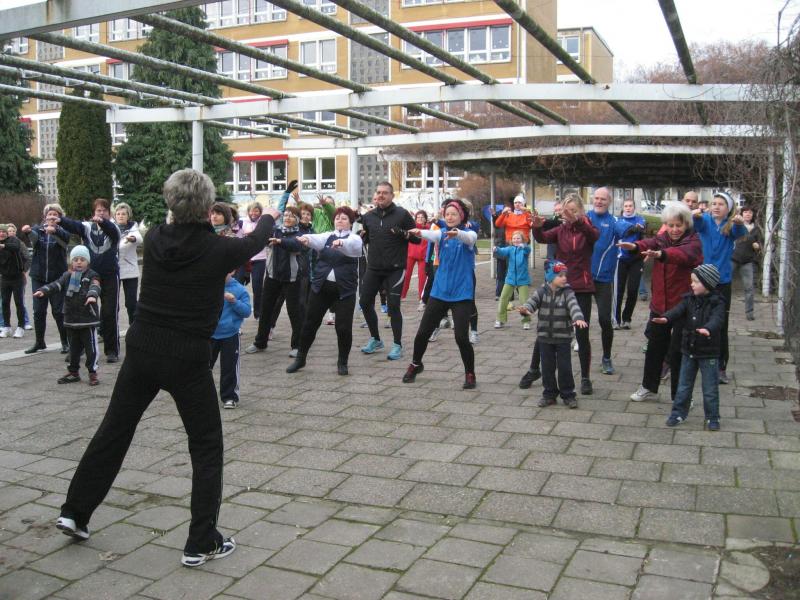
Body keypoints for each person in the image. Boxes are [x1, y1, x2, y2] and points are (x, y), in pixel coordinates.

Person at [55, 169, 280, 568]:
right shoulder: (218, 250)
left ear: (170, 203)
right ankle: (201, 540)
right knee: (206, 445)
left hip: (142, 349)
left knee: (114, 430)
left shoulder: (157, 237)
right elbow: (256, 240)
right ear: (208, 208)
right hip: (187, 358)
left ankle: (75, 511)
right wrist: (269, 214)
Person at [620, 202, 703, 402]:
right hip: (660, 304)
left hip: (682, 305)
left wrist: (662, 254)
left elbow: (682, 256)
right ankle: (648, 386)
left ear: (686, 224)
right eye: (670, 225)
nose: (674, 230)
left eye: (678, 225)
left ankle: (680, 395)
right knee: (654, 347)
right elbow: (650, 243)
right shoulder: (662, 238)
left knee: (679, 351)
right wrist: (635, 246)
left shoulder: (693, 242)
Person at [402, 199, 478, 389]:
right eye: (447, 214)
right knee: (422, 333)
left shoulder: (469, 233)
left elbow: (469, 239)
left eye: (454, 214)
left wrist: (457, 233)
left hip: (461, 293)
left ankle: (470, 373)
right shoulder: (441, 233)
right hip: (440, 291)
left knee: (461, 337)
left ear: (461, 216)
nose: (450, 217)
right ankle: (416, 364)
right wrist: (419, 232)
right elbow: (431, 234)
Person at [531, 194, 599, 395]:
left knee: (582, 333)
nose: (568, 214)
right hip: (560, 286)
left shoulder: (588, 228)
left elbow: (594, 236)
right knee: (548, 328)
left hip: (581, 287)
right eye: (566, 211)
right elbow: (543, 238)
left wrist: (578, 221)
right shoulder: (561, 230)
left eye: (573, 211)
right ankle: (534, 369)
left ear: (581, 211)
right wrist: (536, 227)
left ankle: (585, 377)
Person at [286, 206, 363, 376]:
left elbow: (353, 246)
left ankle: (342, 362)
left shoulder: (355, 238)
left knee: (343, 328)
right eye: (337, 218)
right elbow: (315, 238)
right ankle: (300, 358)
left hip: (345, 291)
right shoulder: (328, 235)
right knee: (309, 323)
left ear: (351, 222)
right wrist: (306, 238)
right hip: (321, 288)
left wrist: (341, 243)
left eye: (344, 218)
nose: (340, 220)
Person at [654, 264, 725, 430]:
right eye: (691, 281)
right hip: (689, 349)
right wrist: (666, 318)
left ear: (707, 283)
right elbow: (677, 310)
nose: (692, 284)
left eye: (696, 282)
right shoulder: (689, 299)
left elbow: (718, 319)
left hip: (709, 352)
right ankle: (678, 413)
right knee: (684, 385)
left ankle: (712, 417)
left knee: (710, 388)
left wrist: (708, 329)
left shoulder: (718, 303)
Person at [359, 181, 419, 361]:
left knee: (393, 306)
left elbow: (417, 239)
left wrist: (403, 233)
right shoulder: (368, 217)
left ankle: (397, 344)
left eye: (385, 192)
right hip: (374, 268)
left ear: (392, 196)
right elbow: (367, 238)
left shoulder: (402, 214)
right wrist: (362, 238)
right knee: (364, 302)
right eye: (378, 192)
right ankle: (376, 339)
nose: (381, 195)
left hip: (395, 269)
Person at [692, 191, 746, 384]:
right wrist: (696, 215)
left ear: (728, 208)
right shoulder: (705, 220)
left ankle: (721, 367)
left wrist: (738, 223)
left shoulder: (730, 225)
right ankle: (695, 360)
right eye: (714, 203)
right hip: (702, 279)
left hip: (722, 281)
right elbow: (696, 225)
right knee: (698, 320)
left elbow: (740, 234)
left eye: (721, 204)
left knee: (721, 324)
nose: (716, 206)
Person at [519, 260, 588, 409]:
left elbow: (574, 306)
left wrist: (578, 318)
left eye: (565, 275)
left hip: (563, 338)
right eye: (560, 275)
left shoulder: (568, 292)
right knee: (547, 368)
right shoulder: (541, 291)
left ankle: (568, 394)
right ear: (550, 277)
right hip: (544, 338)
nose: (564, 278)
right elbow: (532, 302)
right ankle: (549, 394)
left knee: (565, 368)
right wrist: (526, 309)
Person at [60, 199, 122, 363]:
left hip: (110, 275)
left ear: (109, 213)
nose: (101, 213)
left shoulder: (114, 227)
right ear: (93, 213)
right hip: (86, 274)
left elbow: (111, 230)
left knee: (109, 313)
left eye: (104, 210)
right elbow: (74, 226)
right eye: (98, 211)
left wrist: (103, 222)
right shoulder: (87, 227)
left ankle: (112, 350)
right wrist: (60, 220)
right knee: (79, 311)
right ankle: (78, 349)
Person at [34, 246, 101, 386]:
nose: (79, 262)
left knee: (91, 349)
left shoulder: (92, 275)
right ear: (71, 262)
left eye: (82, 259)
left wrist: (92, 296)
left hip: (87, 319)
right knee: (73, 349)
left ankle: (92, 372)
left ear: (87, 261)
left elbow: (95, 286)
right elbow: (56, 285)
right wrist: (44, 290)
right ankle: (73, 372)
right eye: (75, 259)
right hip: (71, 318)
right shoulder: (67, 275)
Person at [246, 206, 304, 356]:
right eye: (286, 215)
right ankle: (260, 342)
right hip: (272, 276)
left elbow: (296, 245)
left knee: (294, 312)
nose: (287, 218)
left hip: (292, 278)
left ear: (297, 219)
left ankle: (297, 346)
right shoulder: (275, 230)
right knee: (266, 310)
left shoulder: (300, 233)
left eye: (291, 216)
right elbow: (262, 239)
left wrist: (279, 241)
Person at [586, 187, 625, 375]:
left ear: (609, 202)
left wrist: (635, 228)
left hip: (604, 279)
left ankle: (607, 358)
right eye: (596, 198)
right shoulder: (585, 218)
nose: (599, 201)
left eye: (603, 199)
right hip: (584, 278)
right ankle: (584, 360)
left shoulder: (614, 222)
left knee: (604, 319)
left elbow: (625, 228)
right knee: (581, 320)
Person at [21, 205, 71, 353]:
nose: (52, 217)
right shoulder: (38, 230)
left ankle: (65, 342)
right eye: (49, 214)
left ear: (59, 217)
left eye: (55, 215)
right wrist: (28, 231)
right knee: (38, 311)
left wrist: (54, 231)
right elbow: (34, 239)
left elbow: (65, 242)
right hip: (38, 276)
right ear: (45, 217)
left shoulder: (63, 231)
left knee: (58, 311)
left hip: (57, 278)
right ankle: (39, 342)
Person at [211, 270, 251, 409]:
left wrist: (234, 301)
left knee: (229, 366)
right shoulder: (209, 285)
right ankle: (200, 393)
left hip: (230, 334)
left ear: (232, 271)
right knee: (203, 366)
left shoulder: (239, 289)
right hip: (210, 334)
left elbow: (247, 311)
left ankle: (229, 396)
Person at [614, 198, 647, 329]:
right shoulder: (618, 220)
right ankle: (616, 319)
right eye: (626, 206)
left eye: (630, 206)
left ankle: (626, 319)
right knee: (619, 291)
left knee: (633, 290)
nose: (628, 208)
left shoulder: (640, 219)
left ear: (634, 207)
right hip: (621, 259)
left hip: (636, 259)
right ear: (623, 208)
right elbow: (628, 231)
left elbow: (642, 228)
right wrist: (634, 229)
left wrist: (637, 228)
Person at [493, 231, 531, 329]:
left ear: (522, 240)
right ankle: (500, 320)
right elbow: (502, 251)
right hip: (510, 279)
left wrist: (524, 246)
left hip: (523, 280)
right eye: (514, 238)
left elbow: (528, 249)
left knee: (524, 300)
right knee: (503, 298)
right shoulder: (510, 249)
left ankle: (526, 321)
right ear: (511, 240)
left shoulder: (524, 249)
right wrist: (496, 249)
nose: (516, 240)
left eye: (518, 238)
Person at [235, 201, 266, 317]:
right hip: (244, 258)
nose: (254, 213)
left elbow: (266, 236)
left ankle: (258, 312)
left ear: (260, 212)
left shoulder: (262, 223)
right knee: (238, 283)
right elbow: (236, 235)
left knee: (257, 286)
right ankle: (238, 308)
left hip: (259, 258)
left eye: (256, 211)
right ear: (248, 211)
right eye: (252, 210)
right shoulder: (241, 222)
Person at [114, 203, 142, 326]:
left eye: (123, 214)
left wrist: (132, 239)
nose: (121, 216)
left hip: (130, 271)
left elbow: (139, 238)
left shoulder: (133, 228)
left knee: (131, 302)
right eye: (118, 214)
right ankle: (108, 327)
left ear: (128, 216)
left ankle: (134, 325)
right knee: (112, 302)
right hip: (114, 270)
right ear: (115, 216)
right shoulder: (111, 228)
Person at [731, 205, 761, 321]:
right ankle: (720, 309)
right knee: (724, 283)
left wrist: (758, 246)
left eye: (750, 212)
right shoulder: (736, 225)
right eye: (746, 212)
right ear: (742, 214)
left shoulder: (757, 229)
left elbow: (760, 244)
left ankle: (749, 313)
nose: (748, 214)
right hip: (733, 258)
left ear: (753, 215)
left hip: (747, 261)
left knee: (749, 288)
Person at [0, 224, 27, 338]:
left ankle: (21, 327)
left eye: (3, 231)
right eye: (0, 231)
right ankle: (6, 327)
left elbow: (15, 247)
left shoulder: (13, 240)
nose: (1, 233)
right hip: (4, 278)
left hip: (17, 278)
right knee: (5, 303)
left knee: (19, 303)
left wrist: (3, 246)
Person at [401, 210, 430, 309]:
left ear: (425, 219)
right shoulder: (413, 227)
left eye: (422, 217)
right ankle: (401, 295)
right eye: (418, 217)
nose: (420, 219)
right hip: (410, 255)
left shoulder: (429, 228)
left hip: (423, 257)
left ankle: (422, 299)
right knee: (406, 275)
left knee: (422, 278)